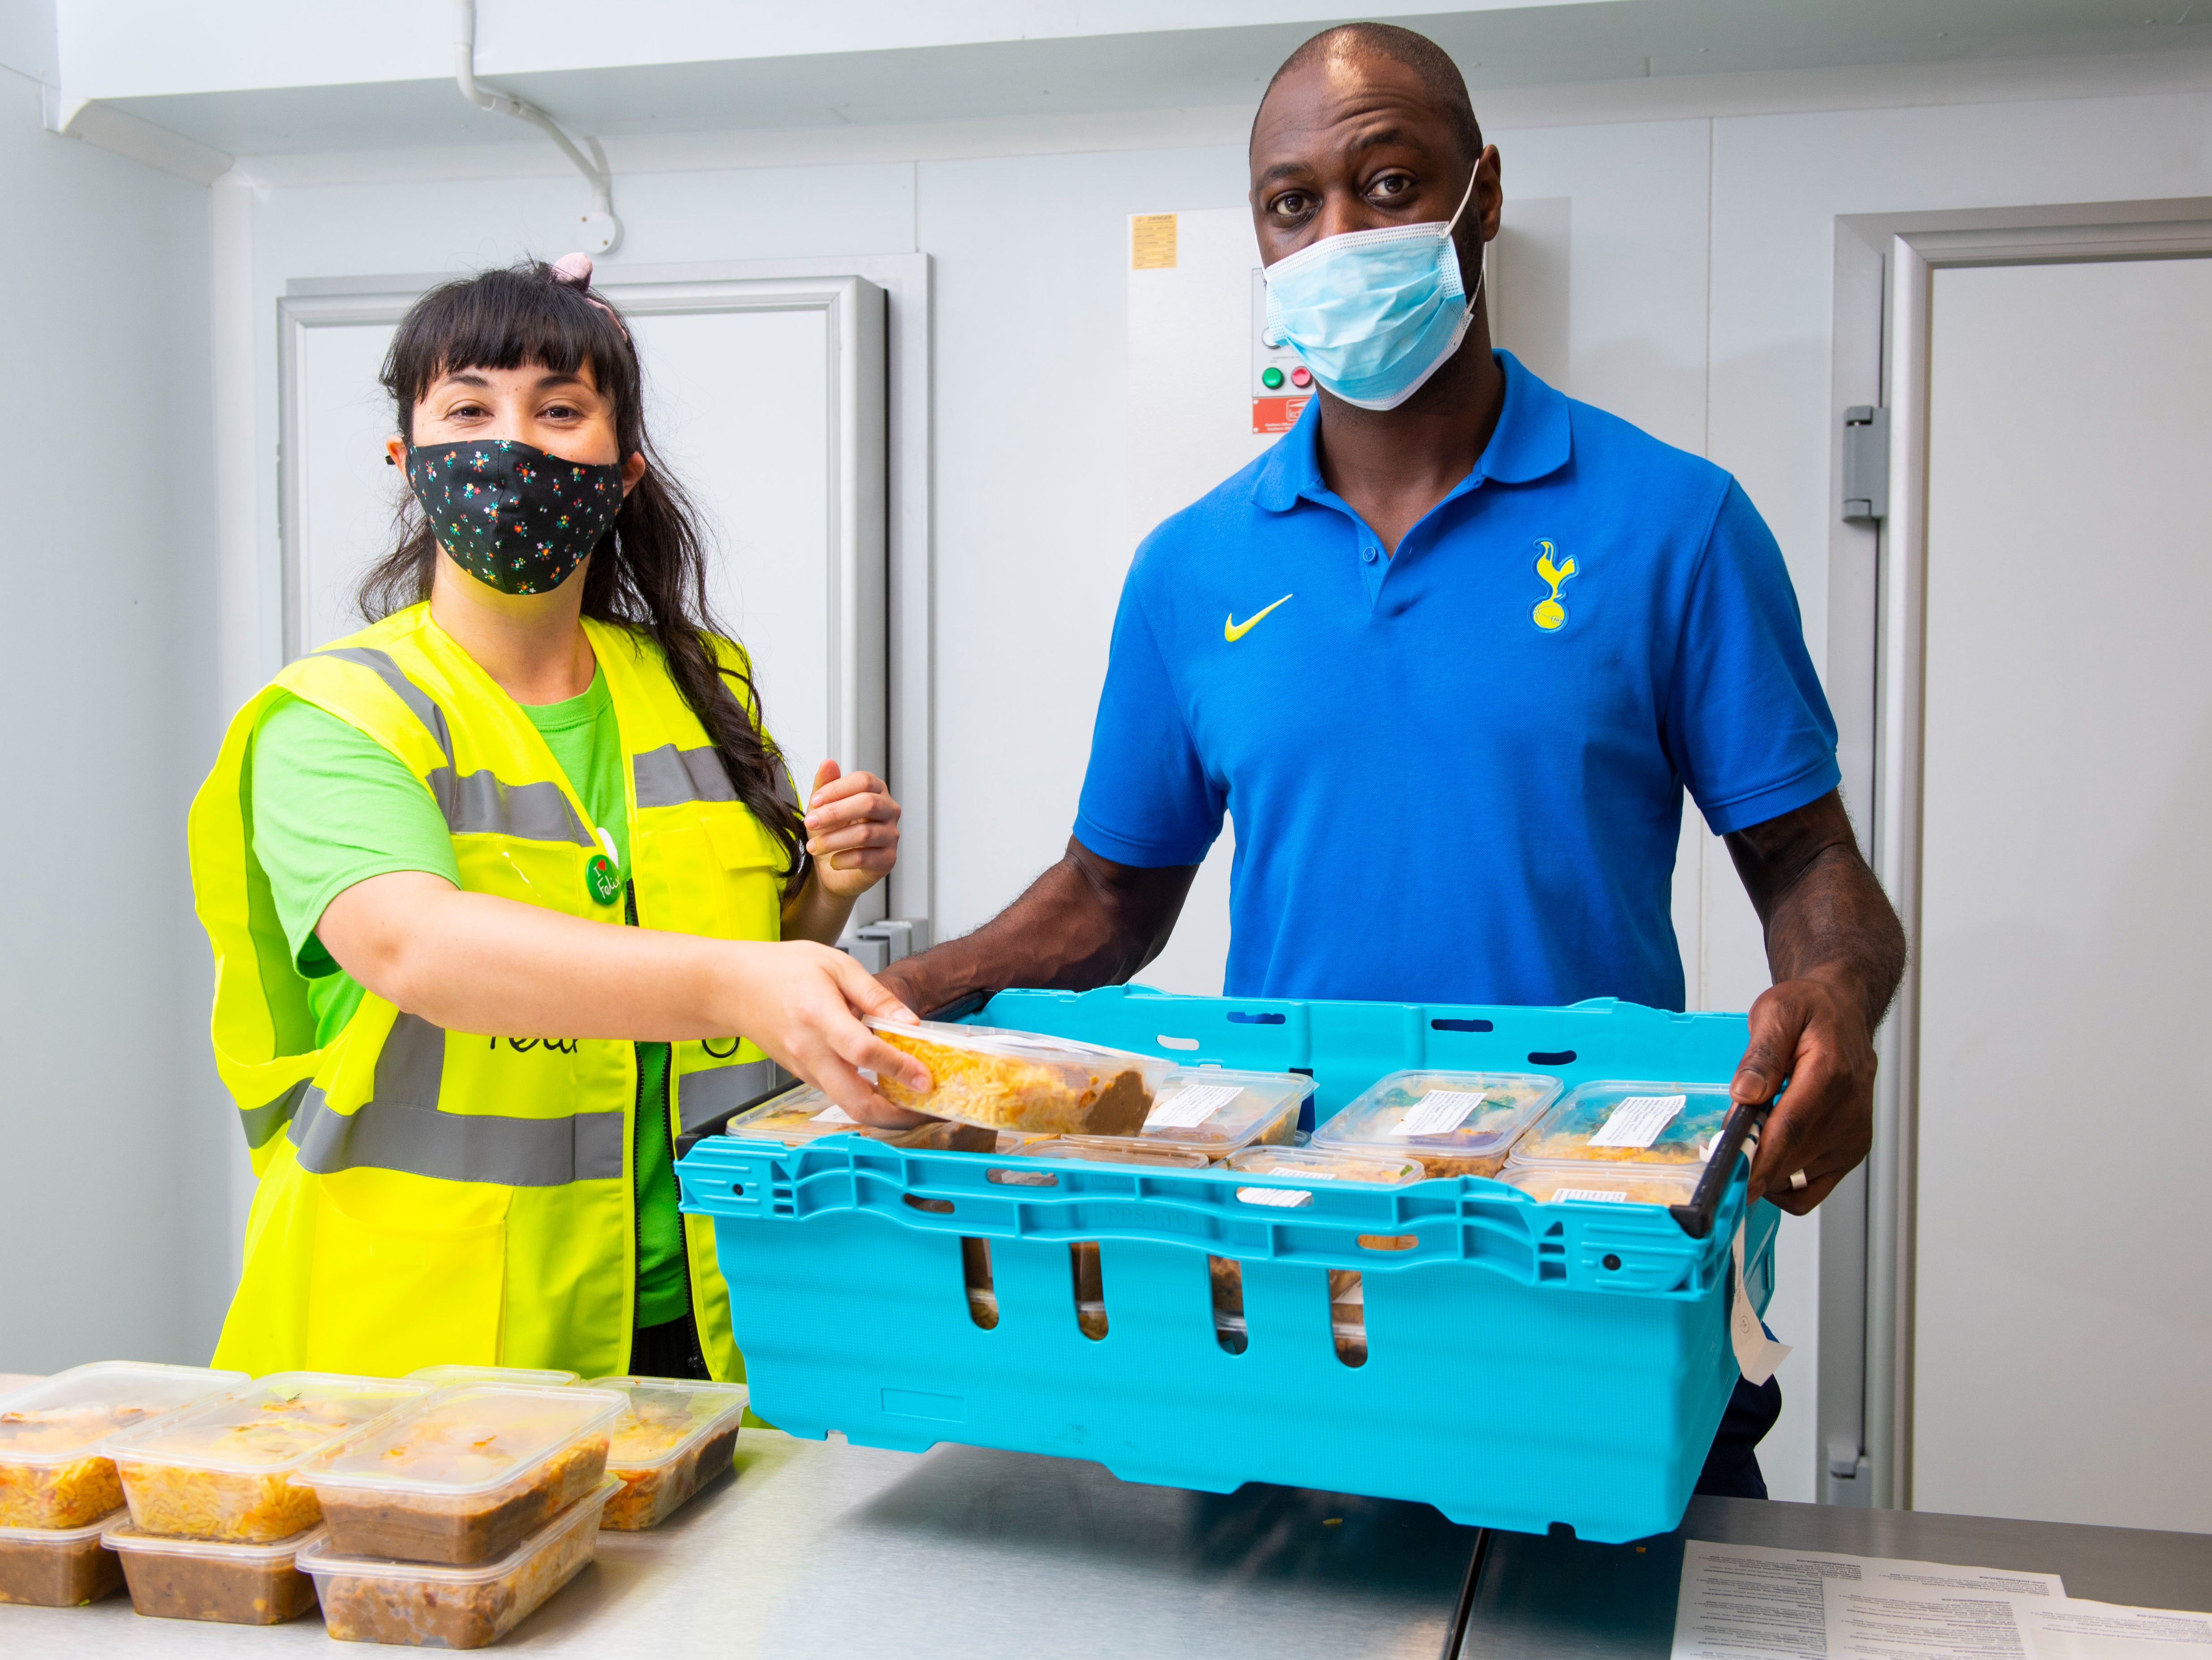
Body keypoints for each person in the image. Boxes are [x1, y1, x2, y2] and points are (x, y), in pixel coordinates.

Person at [878, 25, 1906, 1497]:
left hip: (1583, 1271)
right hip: (1295, 1281)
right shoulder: (1190, 567)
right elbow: (1108, 896)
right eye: (1293, 205)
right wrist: (899, 994)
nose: (1337, 233)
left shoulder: (1670, 524)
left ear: (1479, 196)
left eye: (1386, 181)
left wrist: (1834, 999)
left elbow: (1806, 862)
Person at [189, 256, 931, 1385]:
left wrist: (823, 890)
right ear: (409, 458)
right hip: (426, 1353)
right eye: (470, 407)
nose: (516, 443)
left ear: (623, 470)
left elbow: (742, 961)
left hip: (708, 1307)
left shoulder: (698, 682)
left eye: (561, 409)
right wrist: (750, 982)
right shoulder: (335, 716)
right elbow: (412, 945)